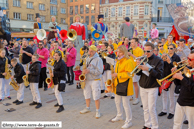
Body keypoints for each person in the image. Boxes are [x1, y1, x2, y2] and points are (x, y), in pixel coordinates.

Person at [136, 42, 164, 129]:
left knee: (151, 108)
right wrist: (138, 67)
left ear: (153, 50)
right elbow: (139, 74)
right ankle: (147, 124)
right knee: (145, 108)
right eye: (145, 51)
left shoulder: (159, 60)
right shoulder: (143, 58)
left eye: (148, 51)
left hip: (153, 87)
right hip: (143, 86)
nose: (146, 53)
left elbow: (160, 75)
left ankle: (155, 126)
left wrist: (149, 69)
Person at [111, 45, 134, 129]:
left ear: (124, 52)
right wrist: (114, 75)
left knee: (126, 104)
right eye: (118, 52)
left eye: (120, 52)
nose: (118, 53)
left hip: (125, 85)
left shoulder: (128, 61)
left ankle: (129, 121)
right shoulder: (118, 60)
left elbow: (130, 74)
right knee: (117, 101)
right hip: (117, 84)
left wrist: (118, 75)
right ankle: (119, 115)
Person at [80, 45, 103, 119]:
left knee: (96, 96)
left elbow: (100, 71)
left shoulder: (98, 59)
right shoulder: (87, 58)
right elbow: (85, 67)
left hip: (95, 80)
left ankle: (98, 111)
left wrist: (90, 71)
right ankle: (87, 108)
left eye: (91, 51)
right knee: (86, 94)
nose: (89, 52)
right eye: (89, 51)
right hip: (87, 79)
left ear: (95, 51)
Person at [158, 44, 181, 119]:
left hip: (172, 78)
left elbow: (177, 68)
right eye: (168, 48)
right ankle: (164, 110)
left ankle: (172, 112)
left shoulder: (176, 57)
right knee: (164, 95)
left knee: (171, 96)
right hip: (164, 77)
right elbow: (161, 66)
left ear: (174, 49)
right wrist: (161, 60)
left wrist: (169, 62)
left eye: (171, 48)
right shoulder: (165, 55)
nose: (169, 49)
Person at [172, 50, 194, 129]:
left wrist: (181, 78)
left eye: (190, 59)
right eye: (188, 58)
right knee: (176, 124)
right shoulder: (187, 68)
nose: (188, 60)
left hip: (191, 104)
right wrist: (175, 76)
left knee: (191, 126)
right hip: (181, 100)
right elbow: (178, 84)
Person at [128, 38, 144, 105]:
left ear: (136, 42)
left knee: (135, 83)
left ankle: (137, 98)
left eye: (132, 42)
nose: (131, 43)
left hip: (135, 68)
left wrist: (131, 55)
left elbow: (140, 59)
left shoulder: (140, 50)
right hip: (130, 67)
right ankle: (131, 95)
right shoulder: (130, 49)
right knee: (129, 82)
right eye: (131, 42)